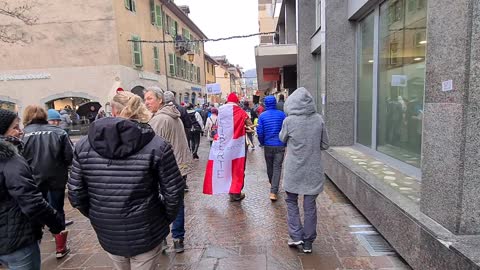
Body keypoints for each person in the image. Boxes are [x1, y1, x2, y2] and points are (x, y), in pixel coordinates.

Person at [68, 90, 184, 270]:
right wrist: (163, 219)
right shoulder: (157, 145)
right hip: (146, 226)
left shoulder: (83, 144)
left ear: (113, 111)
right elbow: (174, 192)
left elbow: (75, 192)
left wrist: (98, 214)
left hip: (108, 228)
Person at [0, 109, 64, 269]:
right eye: (15, 127)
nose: (20, 131)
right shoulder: (10, 160)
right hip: (17, 238)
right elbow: (32, 201)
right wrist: (56, 224)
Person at [279, 87, 329, 254]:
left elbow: (282, 138)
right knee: (310, 206)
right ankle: (308, 242)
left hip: (294, 169)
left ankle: (296, 236)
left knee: (291, 201)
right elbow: (325, 144)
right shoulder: (318, 120)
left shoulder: (289, 121)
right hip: (313, 170)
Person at [22, 106, 74, 258]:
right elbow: (69, 156)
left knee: (36, 209)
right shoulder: (59, 132)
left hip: (32, 179)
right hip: (56, 176)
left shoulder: (22, 134)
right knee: (57, 208)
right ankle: (60, 245)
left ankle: (36, 241)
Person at [145, 87, 192, 254]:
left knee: (159, 203)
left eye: (150, 98)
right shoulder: (173, 115)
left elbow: (151, 148)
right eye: (145, 98)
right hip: (180, 165)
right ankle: (178, 239)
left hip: (166, 168)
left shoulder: (158, 120)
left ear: (160, 100)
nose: (146, 102)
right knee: (177, 203)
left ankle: (162, 239)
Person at [203, 93, 254, 202]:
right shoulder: (240, 111)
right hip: (237, 145)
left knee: (225, 165)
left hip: (222, 143)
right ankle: (235, 192)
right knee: (238, 167)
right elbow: (249, 123)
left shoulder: (220, 110)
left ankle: (228, 188)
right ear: (236, 101)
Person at [256, 96, 286, 202]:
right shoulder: (282, 115)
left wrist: (262, 142)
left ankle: (272, 186)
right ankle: (273, 190)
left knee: (269, 166)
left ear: (265, 104)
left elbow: (260, 132)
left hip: (268, 145)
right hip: (280, 145)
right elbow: (285, 130)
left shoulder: (262, 116)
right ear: (275, 103)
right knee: (277, 168)